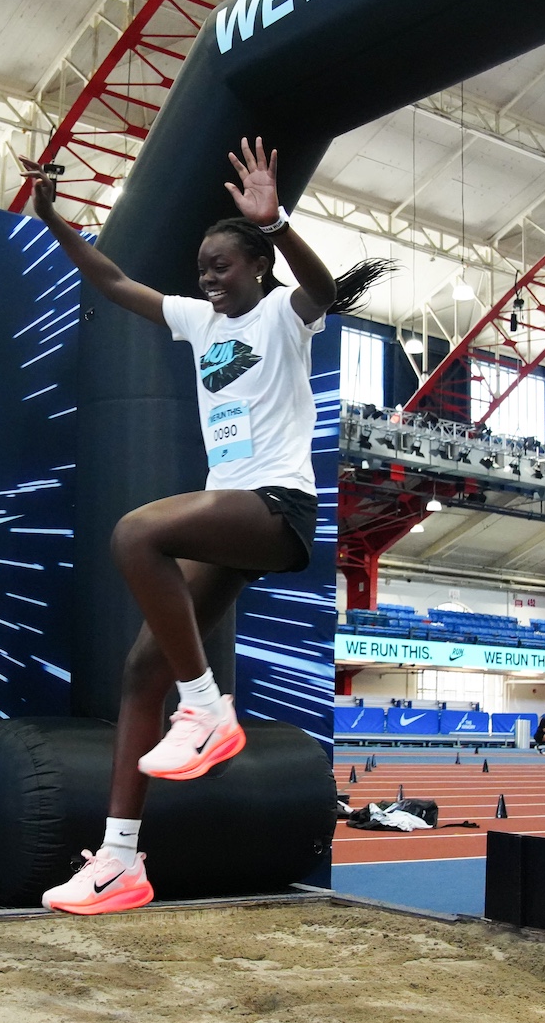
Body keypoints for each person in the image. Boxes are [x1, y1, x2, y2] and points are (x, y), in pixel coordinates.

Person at [25, 139, 388, 916]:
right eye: (201, 269)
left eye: (221, 265)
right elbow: (114, 279)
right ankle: (121, 859)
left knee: (134, 535)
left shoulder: (288, 317)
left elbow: (323, 286)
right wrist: (54, 218)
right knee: (136, 671)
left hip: (276, 507)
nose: (208, 279)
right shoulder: (198, 322)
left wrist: (279, 219)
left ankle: (206, 707)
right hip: (232, 513)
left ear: (257, 266)